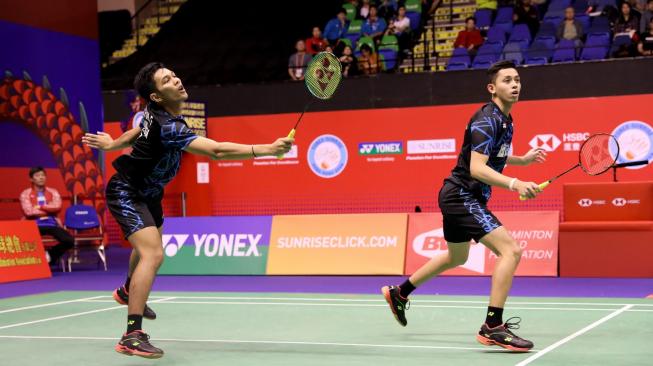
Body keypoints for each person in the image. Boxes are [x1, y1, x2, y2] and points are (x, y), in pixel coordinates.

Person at [82, 62, 293, 359]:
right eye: (167, 80)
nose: (177, 80)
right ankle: (132, 334)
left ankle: (129, 290)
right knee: (153, 254)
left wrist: (113, 143)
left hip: (150, 194)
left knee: (146, 247)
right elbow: (217, 151)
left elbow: (136, 130)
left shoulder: (153, 114)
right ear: (156, 96)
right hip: (127, 192)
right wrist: (266, 149)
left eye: (174, 75)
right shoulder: (170, 126)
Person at [381, 60, 546, 352]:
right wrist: (515, 183)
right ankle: (492, 326)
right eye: (507, 80)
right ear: (492, 88)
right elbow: (477, 168)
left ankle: (399, 293)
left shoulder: (506, 120)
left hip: (462, 195)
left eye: (517, 79)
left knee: (456, 257)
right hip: (462, 195)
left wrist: (522, 160)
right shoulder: (487, 119)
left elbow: (495, 156)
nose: (515, 84)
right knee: (511, 250)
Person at [19, 167, 74, 266]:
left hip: (52, 223)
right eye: (37, 175)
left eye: (43, 175)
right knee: (25, 242)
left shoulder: (53, 192)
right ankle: (35, 263)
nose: (41, 178)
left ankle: (49, 256)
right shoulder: (25, 193)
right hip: (33, 225)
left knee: (69, 240)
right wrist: (49, 210)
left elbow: (57, 207)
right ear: (31, 179)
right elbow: (28, 211)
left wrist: (40, 207)